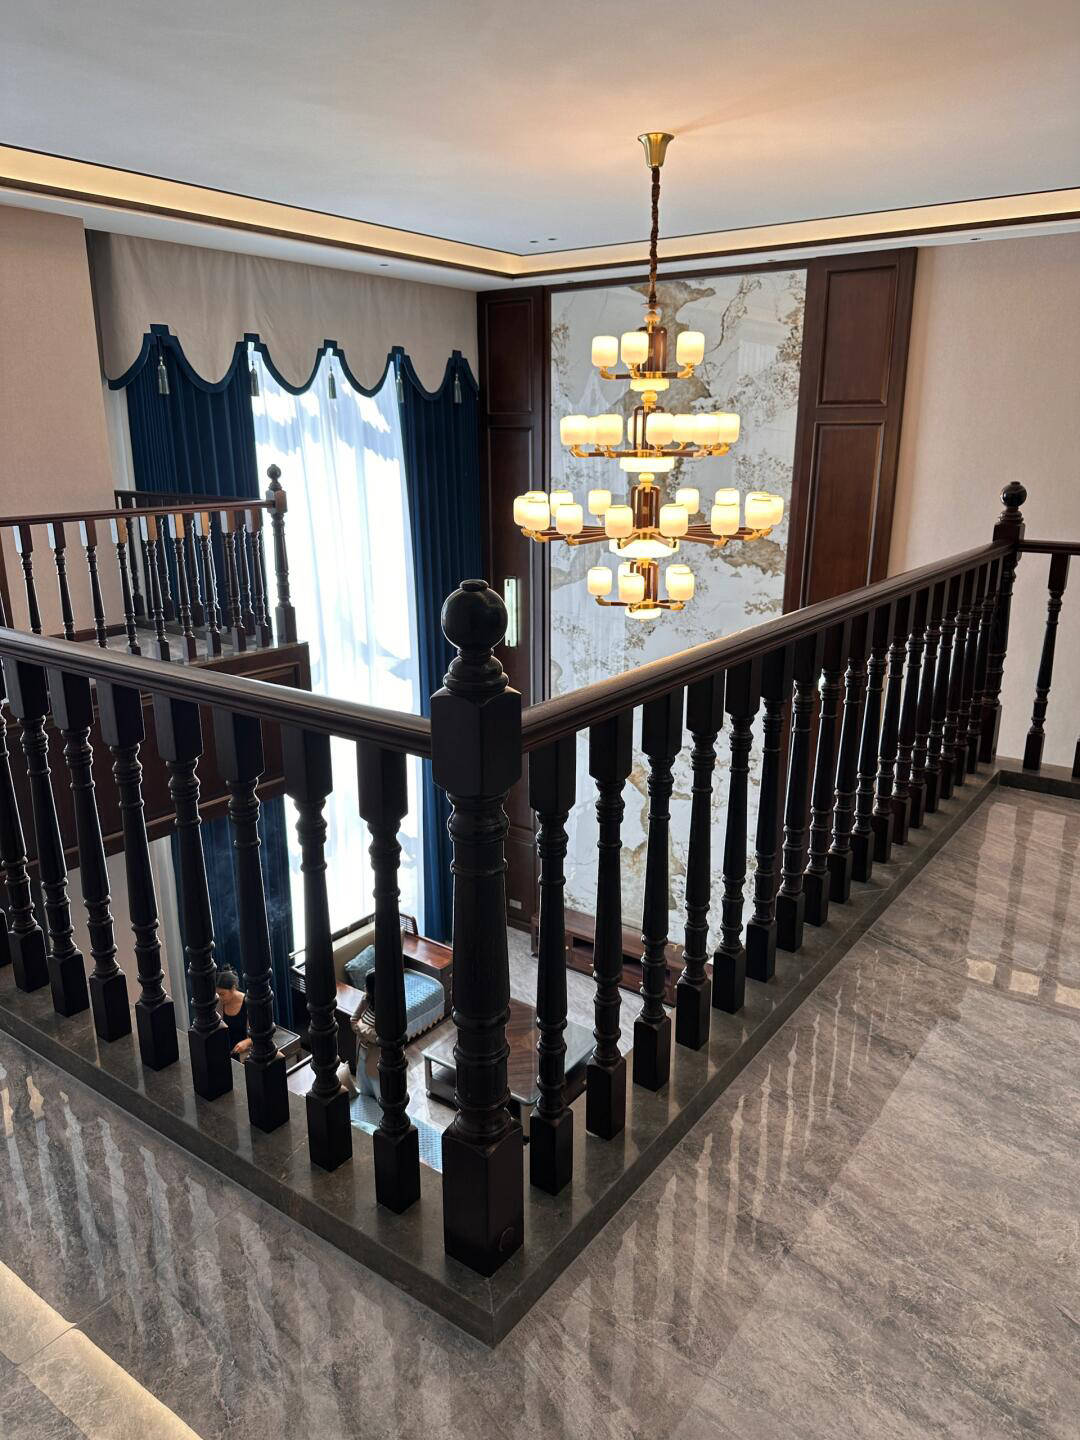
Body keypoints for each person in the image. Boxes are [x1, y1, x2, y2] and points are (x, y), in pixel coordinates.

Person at [215, 967, 252, 1057]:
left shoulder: (249, 1003)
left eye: (222, 994)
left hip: (246, 1054)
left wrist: (247, 1042)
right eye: (217, 994)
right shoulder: (218, 1004)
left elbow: (261, 1033)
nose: (219, 997)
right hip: (225, 1053)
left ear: (233, 989)